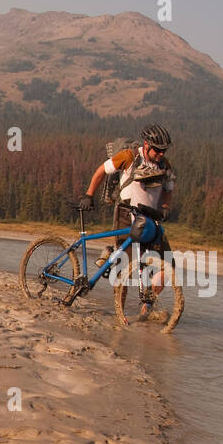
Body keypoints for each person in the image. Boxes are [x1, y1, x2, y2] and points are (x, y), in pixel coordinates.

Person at [78, 124, 175, 318]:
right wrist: (89, 195)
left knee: (168, 267)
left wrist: (164, 208)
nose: (161, 153)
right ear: (147, 145)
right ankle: (119, 314)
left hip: (150, 219)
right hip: (125, 215)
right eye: (157, 149)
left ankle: (147, 306)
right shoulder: (128, 157)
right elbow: (100, 171)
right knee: (124, 269)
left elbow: (168, 189)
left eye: (164, 150)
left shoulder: (165, 165)